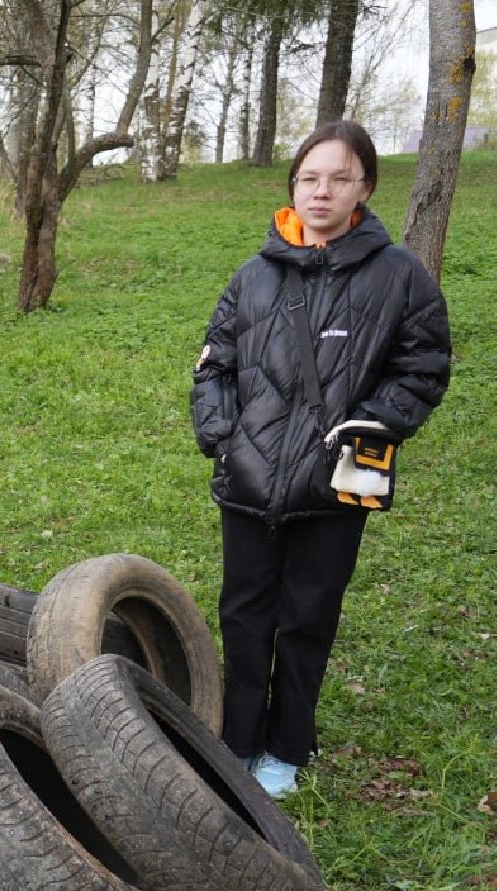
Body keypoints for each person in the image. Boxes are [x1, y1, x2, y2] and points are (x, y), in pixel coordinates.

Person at [191, 119, 450, 800]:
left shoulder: (399, 276)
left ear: (364, 185)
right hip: (249, 476)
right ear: (292, 187)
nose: (321, 190)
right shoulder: (251, 275)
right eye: (308, 177)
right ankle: (239, 740)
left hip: (343, 474)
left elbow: (424, 367)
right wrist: (222, 436)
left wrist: (379, 422)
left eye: (338, 177)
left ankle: (286, 745)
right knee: (244, 615)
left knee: (307, 616)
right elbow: (213, 365)